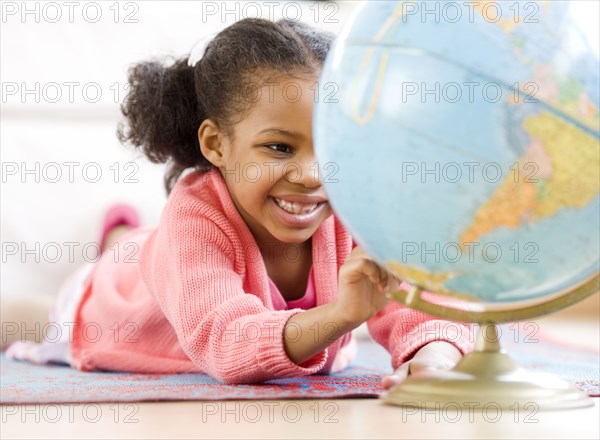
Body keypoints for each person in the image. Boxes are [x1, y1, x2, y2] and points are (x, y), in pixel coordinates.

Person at [4, 18, 472, 388]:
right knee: (27, 318)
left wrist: (433, 357)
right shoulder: (194, 219)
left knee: (147, 248)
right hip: (113, 308)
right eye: (279, 148)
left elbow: (419, 298)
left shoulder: (353, 200)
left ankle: (125, 236)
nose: (313, 175)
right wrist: (341, 316)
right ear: (217, 144)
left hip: (168, 258)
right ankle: (120, 247)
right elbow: (227, 343)